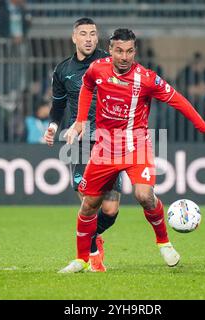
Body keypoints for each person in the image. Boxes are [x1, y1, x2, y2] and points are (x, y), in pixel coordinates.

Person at [60, 28, 205, 273]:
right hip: (104, 147)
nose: (125, 56)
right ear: (110, 50)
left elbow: (177, 99)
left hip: (136, 145)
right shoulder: (97, 69)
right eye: (119, 51)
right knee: (89, 205)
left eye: (130, 51)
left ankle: (164, 242)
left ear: (135, 51)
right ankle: (81, 259)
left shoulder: (147, 78)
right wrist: (81, 121)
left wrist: (203, 126)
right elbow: (87, 88)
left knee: (144, 195)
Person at [44, 18, 121, 272]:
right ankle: (92, 251)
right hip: (81, 140)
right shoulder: (63, 69)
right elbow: (58, 105)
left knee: (109, 210)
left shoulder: (110, 63)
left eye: (93, 34)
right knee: (89, 201)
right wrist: (54, 127)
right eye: (83, 34)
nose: (89, 38)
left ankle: (90, 237)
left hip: (111, 140)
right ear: (74, 38)